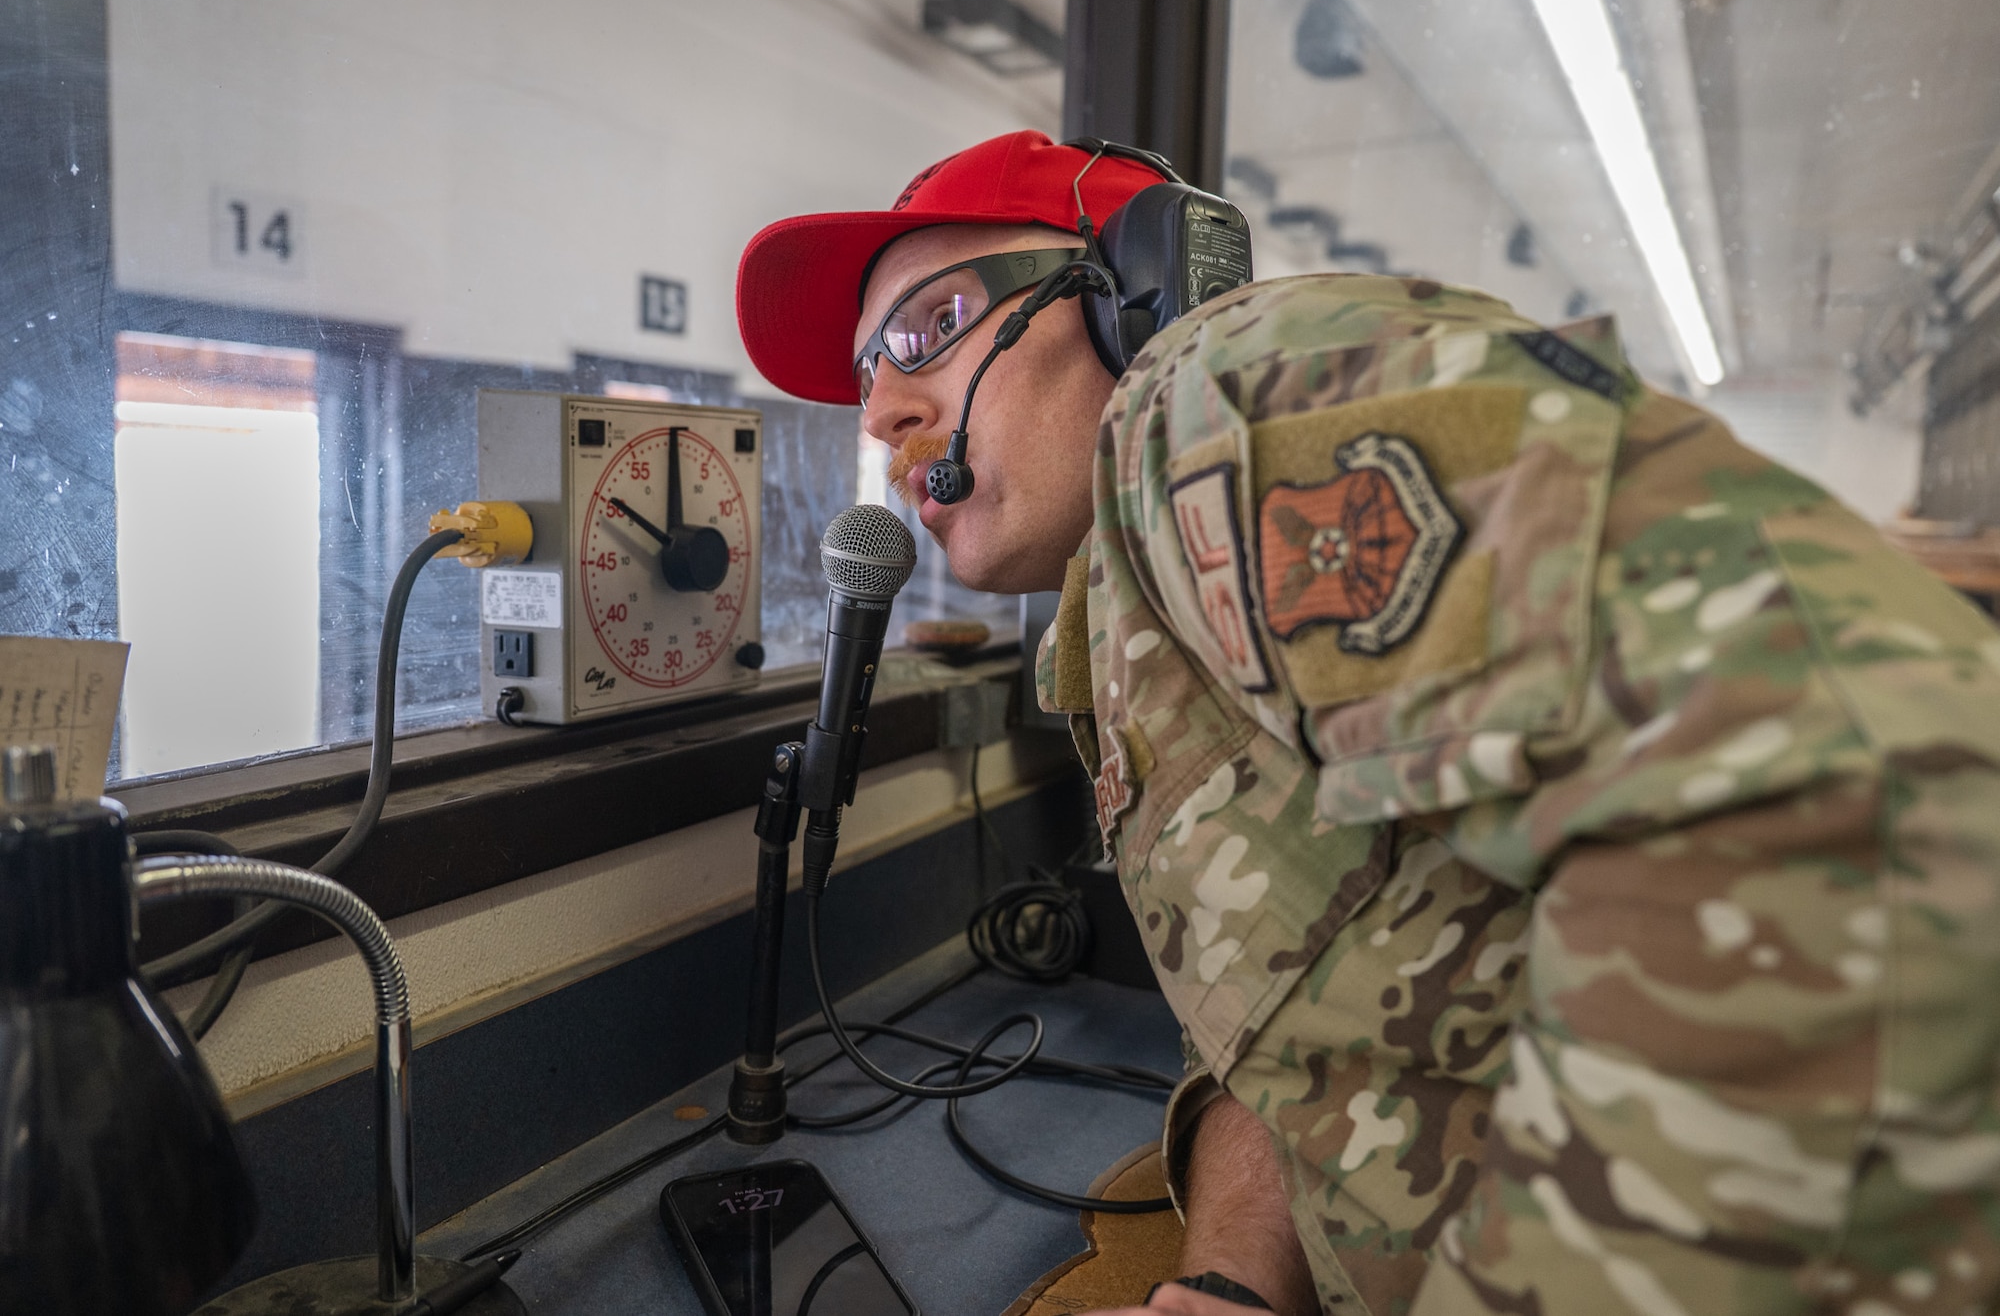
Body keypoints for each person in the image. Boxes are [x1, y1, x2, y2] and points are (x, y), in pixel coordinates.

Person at [736, 130, 2000, 1315]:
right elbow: (1294, 1034)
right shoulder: (1135, 597)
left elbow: (1866, 795)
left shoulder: (1215, 397)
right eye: (863, 374)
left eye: (932, 328)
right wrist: (1230, 1281)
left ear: (1124, 298)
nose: (880, 413)